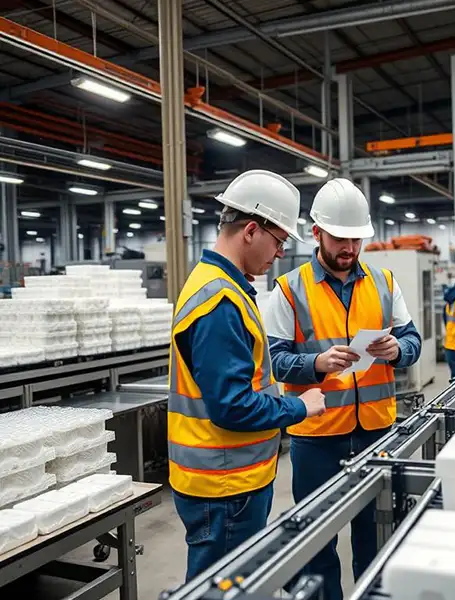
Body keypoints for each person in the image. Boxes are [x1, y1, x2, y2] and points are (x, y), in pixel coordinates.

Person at [266, 178, 422, 600]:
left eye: (356, 238)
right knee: (318, 542)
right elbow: (274, 361)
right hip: (316, 437)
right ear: (317, 232)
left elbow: (413, 341)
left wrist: (398, 350)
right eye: (340, 238)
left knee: (377, 535)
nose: (350, 248)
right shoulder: (289, 289)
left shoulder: (384, 282)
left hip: (376, 432)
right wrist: (315, 363)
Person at [168, 170, 327, 581]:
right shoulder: (220, 300)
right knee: (225, 588)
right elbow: (231, 406)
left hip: (228, 479)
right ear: (252, 231)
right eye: (279, 241)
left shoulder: (224, 287)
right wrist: (299, 407)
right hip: (224, 485)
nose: (280, 254)